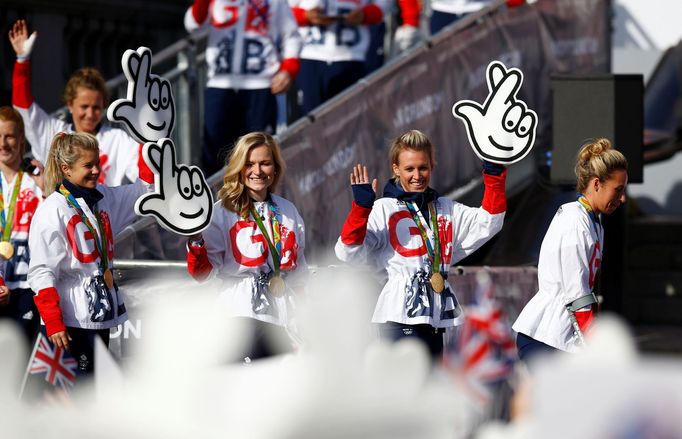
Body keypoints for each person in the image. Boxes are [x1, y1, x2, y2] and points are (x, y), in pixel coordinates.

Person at [335, 129, 506, 360]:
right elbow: (347, 253)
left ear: (432, 166)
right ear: (396, 169)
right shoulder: (384, 208)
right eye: (409, 169)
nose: (417, 175)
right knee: (403, 390)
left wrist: (493, 173)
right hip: (398, 316)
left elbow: (490, 222)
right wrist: (361, 210)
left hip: (435, 316)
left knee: (429, 390)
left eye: (423, 167)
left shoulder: (446, 208)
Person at [27, 132, 152, 376]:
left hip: (99, 312)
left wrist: (148, 140)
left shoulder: (103, 198)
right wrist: (53, 321)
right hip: (70, 318)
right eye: (88, 165)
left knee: (93, 386)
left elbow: (143, 191)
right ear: (66, 169)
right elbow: (42, 270)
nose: (96, 170)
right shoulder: (52, 210)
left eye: (97, 163)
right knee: (74, 393)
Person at [186, 132, 307, 361]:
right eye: (249, 164)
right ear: (239, 168)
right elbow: (202, 274)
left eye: (265, 163)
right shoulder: (221, 211)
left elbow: (300, 271)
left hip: (281, 316)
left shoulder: (288, 211)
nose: (258, 171)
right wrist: (195, 239)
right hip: (237, 313)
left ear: (275, 167)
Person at [512, 138, 628, 363]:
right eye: (618, 190)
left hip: (562, 338)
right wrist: (596, 346)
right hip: (545, 338)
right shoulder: (575, 221)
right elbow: (577, 295)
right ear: (596, 184)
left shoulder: (593, 221)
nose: (622, 198)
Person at [9, 19, 140, 187]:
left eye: (96, 107)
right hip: (60, 213)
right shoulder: (54, 133)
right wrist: (22, 60)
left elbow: (141, 169)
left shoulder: (117, 139)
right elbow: (22, 107)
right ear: (70, 105)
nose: (90, 114)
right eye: (84, 107)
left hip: (104, 213)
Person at [184, 0, 302, 177]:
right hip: (220, 86)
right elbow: (192, 25)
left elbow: (292, 36)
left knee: (258, 155)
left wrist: (288, 70)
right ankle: (215, 203)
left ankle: (257, 204)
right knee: (215, 157)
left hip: (261, 87)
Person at [289, 0, 390, 115]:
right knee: (309, 118)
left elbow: (383, 5)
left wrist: (365, 15)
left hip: (351, 56)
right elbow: (282, 12)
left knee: (348, 117)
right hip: (311, 55)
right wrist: (305, 16)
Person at [0, 106, 44, 346]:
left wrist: (46, 188)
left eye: (9, 136)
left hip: (26, 284)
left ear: (21, 139)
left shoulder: (35, 179)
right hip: (0, 282)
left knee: (21, 360)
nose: (4, 143)